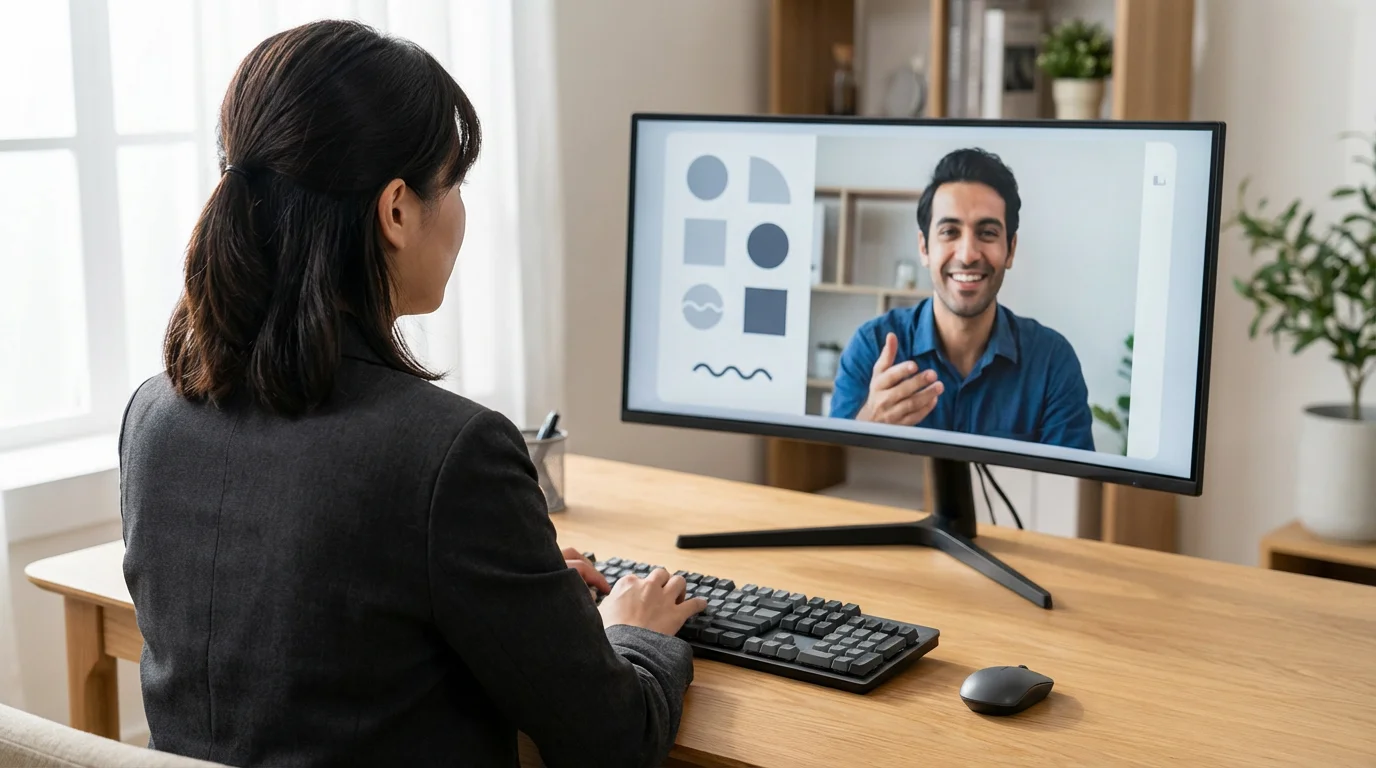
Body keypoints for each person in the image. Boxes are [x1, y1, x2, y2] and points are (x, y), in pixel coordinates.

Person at [120, 20, 704, 768]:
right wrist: (636, 632)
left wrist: (515, 574)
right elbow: (612, 742)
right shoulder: (448, 453)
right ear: (396, 210)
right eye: (453, 182)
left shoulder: (154, 417)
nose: (459, 210)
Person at [827, 148, 1095, 451]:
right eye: (950, 231)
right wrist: (869, 423)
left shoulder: (1052, 362)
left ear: (1010, 249)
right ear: (924, 248)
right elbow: (830, 470)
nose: (968, 254)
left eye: (988, 232)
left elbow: (1072, 490)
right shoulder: (872, 346)